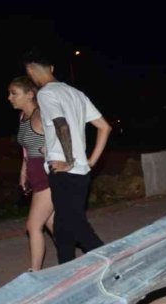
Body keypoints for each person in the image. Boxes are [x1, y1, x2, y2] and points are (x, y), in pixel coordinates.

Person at [24, 51, 112, 264]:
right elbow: (105, 127)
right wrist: (89, 161)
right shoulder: (76, 93)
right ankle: (66, 271)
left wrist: (69, 160)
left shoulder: (45, 94)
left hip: (64, 171)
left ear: (30, 72)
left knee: (78, 227)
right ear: (52, 69)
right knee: (63, 228)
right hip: (80, 171)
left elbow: (61, 124)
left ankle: (114, 262)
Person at [8, 76, 55, 271]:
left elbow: (62, 136)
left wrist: (51, 149)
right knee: (54, 225)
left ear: (29, 94)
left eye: (14, 93)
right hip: (34, 175)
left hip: (47, 176)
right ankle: (74, 261)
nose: (9, 98)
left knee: (33, 225)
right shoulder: (23, 117)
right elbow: (27, 149)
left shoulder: (40, 115)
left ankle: (35, 272)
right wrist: (23, 172)